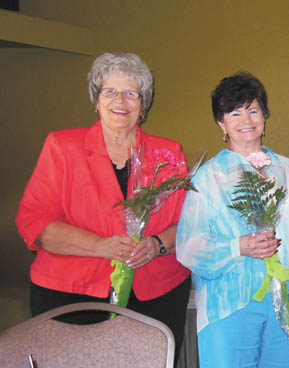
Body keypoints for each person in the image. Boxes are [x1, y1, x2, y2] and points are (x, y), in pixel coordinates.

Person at [15, 53, 192, 362]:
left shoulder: (168, 153)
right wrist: (100, 246)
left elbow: (191, 222)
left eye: (131, 93)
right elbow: (34, 222)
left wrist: (157, 245)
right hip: (71, 295)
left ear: (143, 104)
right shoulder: (62, 147)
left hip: (156, 295)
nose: (120, 100)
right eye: (110, 91)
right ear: (96, 100)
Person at [176, 72, 289, 367]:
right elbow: (188, 246)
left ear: (264, 116)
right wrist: (237, 246)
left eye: (253, 110)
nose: (246, 120)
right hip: (229, 301)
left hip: (284, 297)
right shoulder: (209, 176)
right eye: (234, 113)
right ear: (221, 124)